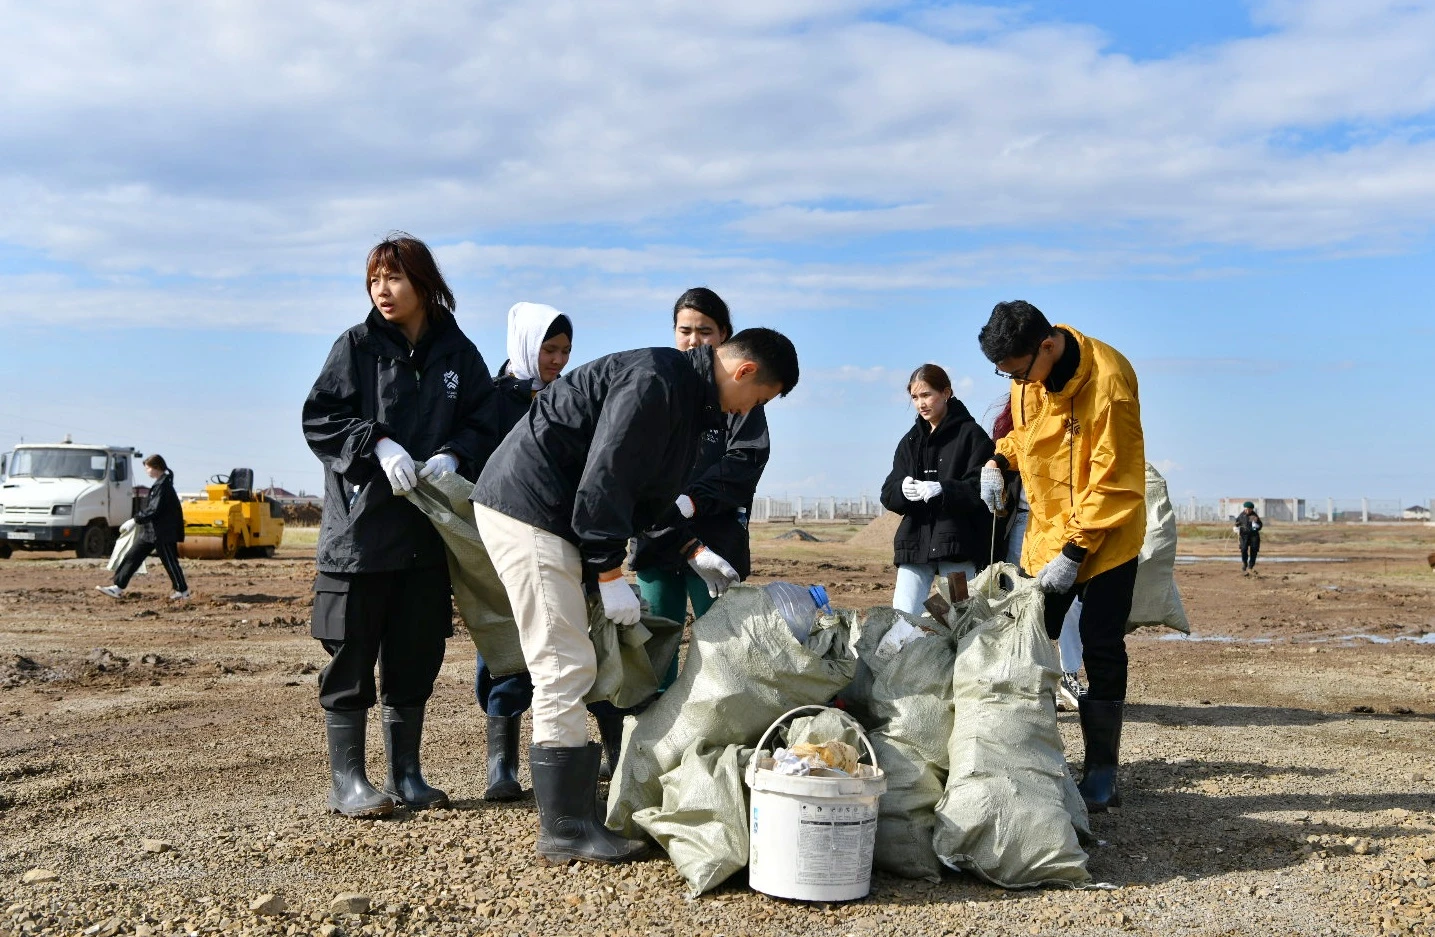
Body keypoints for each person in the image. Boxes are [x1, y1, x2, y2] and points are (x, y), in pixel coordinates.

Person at [470, 328, 799, 865]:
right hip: (530, 511)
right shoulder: (656, 381)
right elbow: (607, 475)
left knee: (572, 659)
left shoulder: (684, 397)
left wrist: (692, 548)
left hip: (553, 516)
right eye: (758, 400)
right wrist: (606, 571)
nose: (749, 412)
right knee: (563, 661)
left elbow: (646, 496)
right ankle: (566, 829)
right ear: (743, 373)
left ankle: (576, 817)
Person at [301, 233, 494, 818]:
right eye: (373, 281)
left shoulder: (459, 353)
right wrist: (377, 442)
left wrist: (457, 453)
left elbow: (486, 418)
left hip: (426, 535)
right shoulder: (357, 347)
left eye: (395, 278)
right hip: (361, 534)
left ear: (424, 282)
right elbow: (321, 417)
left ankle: (407, 775)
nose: (383, 291)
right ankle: (349, 782)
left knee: (414, 655)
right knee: (352, 655)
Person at [976, 300, 1145, 812]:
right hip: (1048, 532)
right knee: (1025, 638)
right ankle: (1031, 757)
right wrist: (998, 460)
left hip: (1108, 535)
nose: (1015, 381)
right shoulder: (1027, 378)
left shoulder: (1110, 382)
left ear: (1046, 345)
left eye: (1018, 370)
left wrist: (1075, 551)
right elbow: (1026, 437)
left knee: (1100, 644)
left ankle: (1101, 774)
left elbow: (1114, 479)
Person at [630, 288, 769, 680]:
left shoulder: (742, 397)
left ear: (724, 335)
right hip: (656, 536)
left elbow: (744, 461)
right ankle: (654, 730)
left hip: (715, 541)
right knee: (656, 645)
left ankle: (718, 726)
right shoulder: (658, 385)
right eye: (685, 330)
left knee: (723, 646)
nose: (694, 340)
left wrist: (690, 501)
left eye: (705, 331)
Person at [472, 302, 573, 802]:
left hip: (556, 531)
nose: (557, 359)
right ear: (527, 345)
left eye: (564, 351)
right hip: (504, 535)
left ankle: (581, 752)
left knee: (569, 641)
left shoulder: (569, 398)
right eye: (549, 349)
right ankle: (501, 764)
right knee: (507, 643)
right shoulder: (491, 401)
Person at [992, 398, 1084, 711]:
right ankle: (1025, 678)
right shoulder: (1010, 427)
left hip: (1063, 521)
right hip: (1022, 521)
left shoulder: (1072, 416)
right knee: (1021, 600)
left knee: (1067, 599)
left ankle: (1070, 672)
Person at [880, 364, 992, 616]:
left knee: (961, 618)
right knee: (902, 616)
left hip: (957, 544)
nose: (921, 403)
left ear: (946, 393)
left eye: (927, 394)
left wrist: (945, 490)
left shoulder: (972, 436)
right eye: (915, 397)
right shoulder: (910, 441)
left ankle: (956, 651)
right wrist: (901, 489)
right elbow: (887, 492)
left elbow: (982, 487)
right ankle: (906, 655)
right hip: (915, 542)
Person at [96, 454, 189, 601]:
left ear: (156, 467)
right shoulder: (160, 483)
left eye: (148, 468)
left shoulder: (164, 486)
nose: (146, 471)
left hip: (162, 532)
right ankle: (117, 587)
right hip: (151, 532)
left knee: (170, 562)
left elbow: (154, 509)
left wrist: (135, 520)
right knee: (132, 556)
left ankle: (182, 592)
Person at [1235, 501, 1262, 575]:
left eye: (1250, 509)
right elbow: (1237, 523)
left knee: (1254, 551)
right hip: (1243, 536)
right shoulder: (1241, 516)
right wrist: (1236, 528)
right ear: (1244, 508)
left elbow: (1260, 525)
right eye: (1246, 509)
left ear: (1252, 509)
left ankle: (1250, 566)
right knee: (1243, 549)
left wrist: (1257, 526)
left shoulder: (1254, 516)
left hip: (1254, 536)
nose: (1248, 511)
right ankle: (1244, 563)